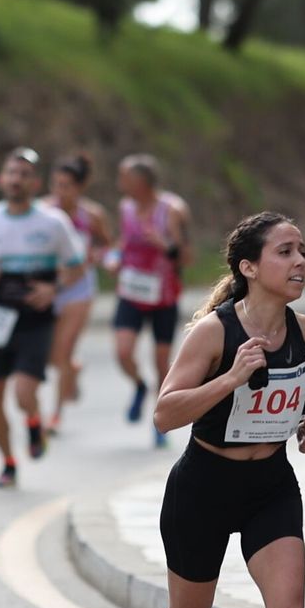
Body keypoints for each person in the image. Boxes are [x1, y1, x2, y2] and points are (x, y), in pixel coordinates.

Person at [123, 211, 305, 608]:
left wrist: (304, 425)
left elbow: (287, 394)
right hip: (204, 485)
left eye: (302, 251)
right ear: (249, 267)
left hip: (270, 485)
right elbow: (165, 413)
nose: (299, 262)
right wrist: (230, 377)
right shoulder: (213, 334)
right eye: (284, 252)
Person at [0, 148, 84, 489]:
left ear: (35, 182)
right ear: (1, 179)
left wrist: (54, 288)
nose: (16, 180)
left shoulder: (52, 222)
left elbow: (76, 266)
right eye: (11, 173)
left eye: (23, 174)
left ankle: (33, 421)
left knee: (23, 392)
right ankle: (8, 462)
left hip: (35, 317)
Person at [109, 154, 192, 447]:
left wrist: (164, 244)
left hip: (163, 295)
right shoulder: (126, 207)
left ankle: (160, 419)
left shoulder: (172, 210)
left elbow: (187, 256)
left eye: (124, 177)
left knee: (161, 362)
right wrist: (114, 258)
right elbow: (124, 241)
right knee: (122, 352)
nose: (119, 183)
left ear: (141, 181)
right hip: (131, 291)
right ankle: (139, 386)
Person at [40, 153, 113, 436]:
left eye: (66, 186)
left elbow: (108, 245)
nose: (59, 192)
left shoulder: (91, 215)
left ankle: (55, 416)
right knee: (51, 355)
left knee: (65, 348)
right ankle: (73, 369)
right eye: (55, 184)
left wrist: (98, 256)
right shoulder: (43, 211)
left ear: (79, 188)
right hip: (49, 286)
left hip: (79, 289)